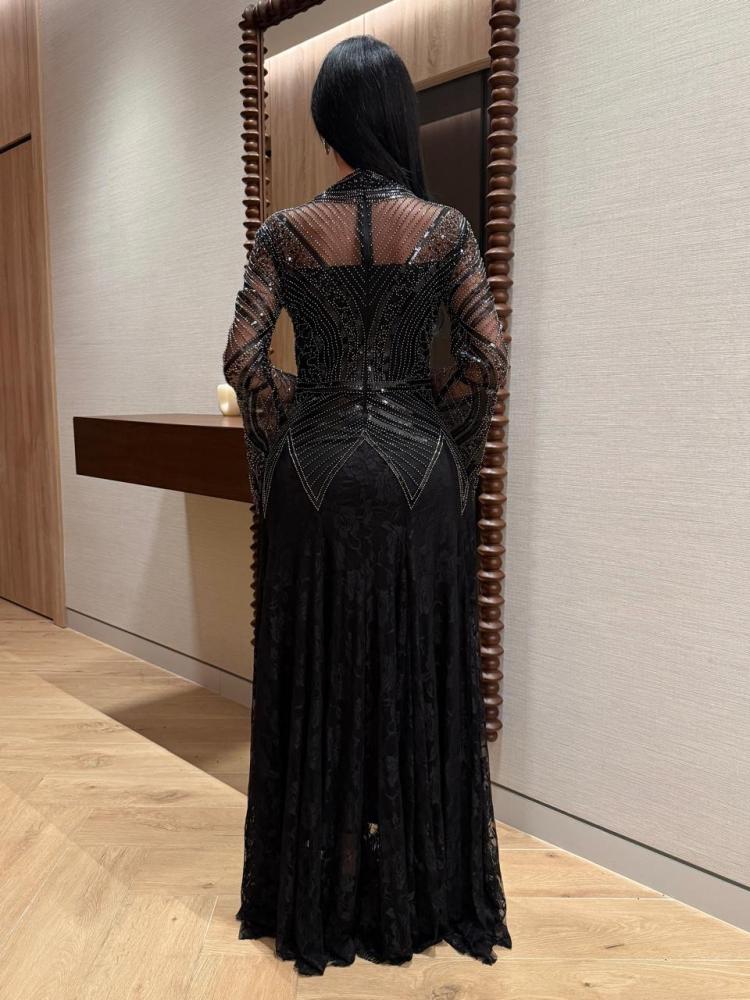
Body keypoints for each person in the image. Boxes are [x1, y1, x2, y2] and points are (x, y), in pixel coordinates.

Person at [222, 33, 512, 977]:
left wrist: (301, 418)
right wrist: (435, 429)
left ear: (327, 125)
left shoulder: (284, 232)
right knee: (409, 668)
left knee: (322, 671)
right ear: (397, 117)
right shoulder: (445, 228)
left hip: (313, 476)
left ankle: (323, 889)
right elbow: (486, 357)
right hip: (419, 475)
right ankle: (418, 893)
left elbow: (242, 359)